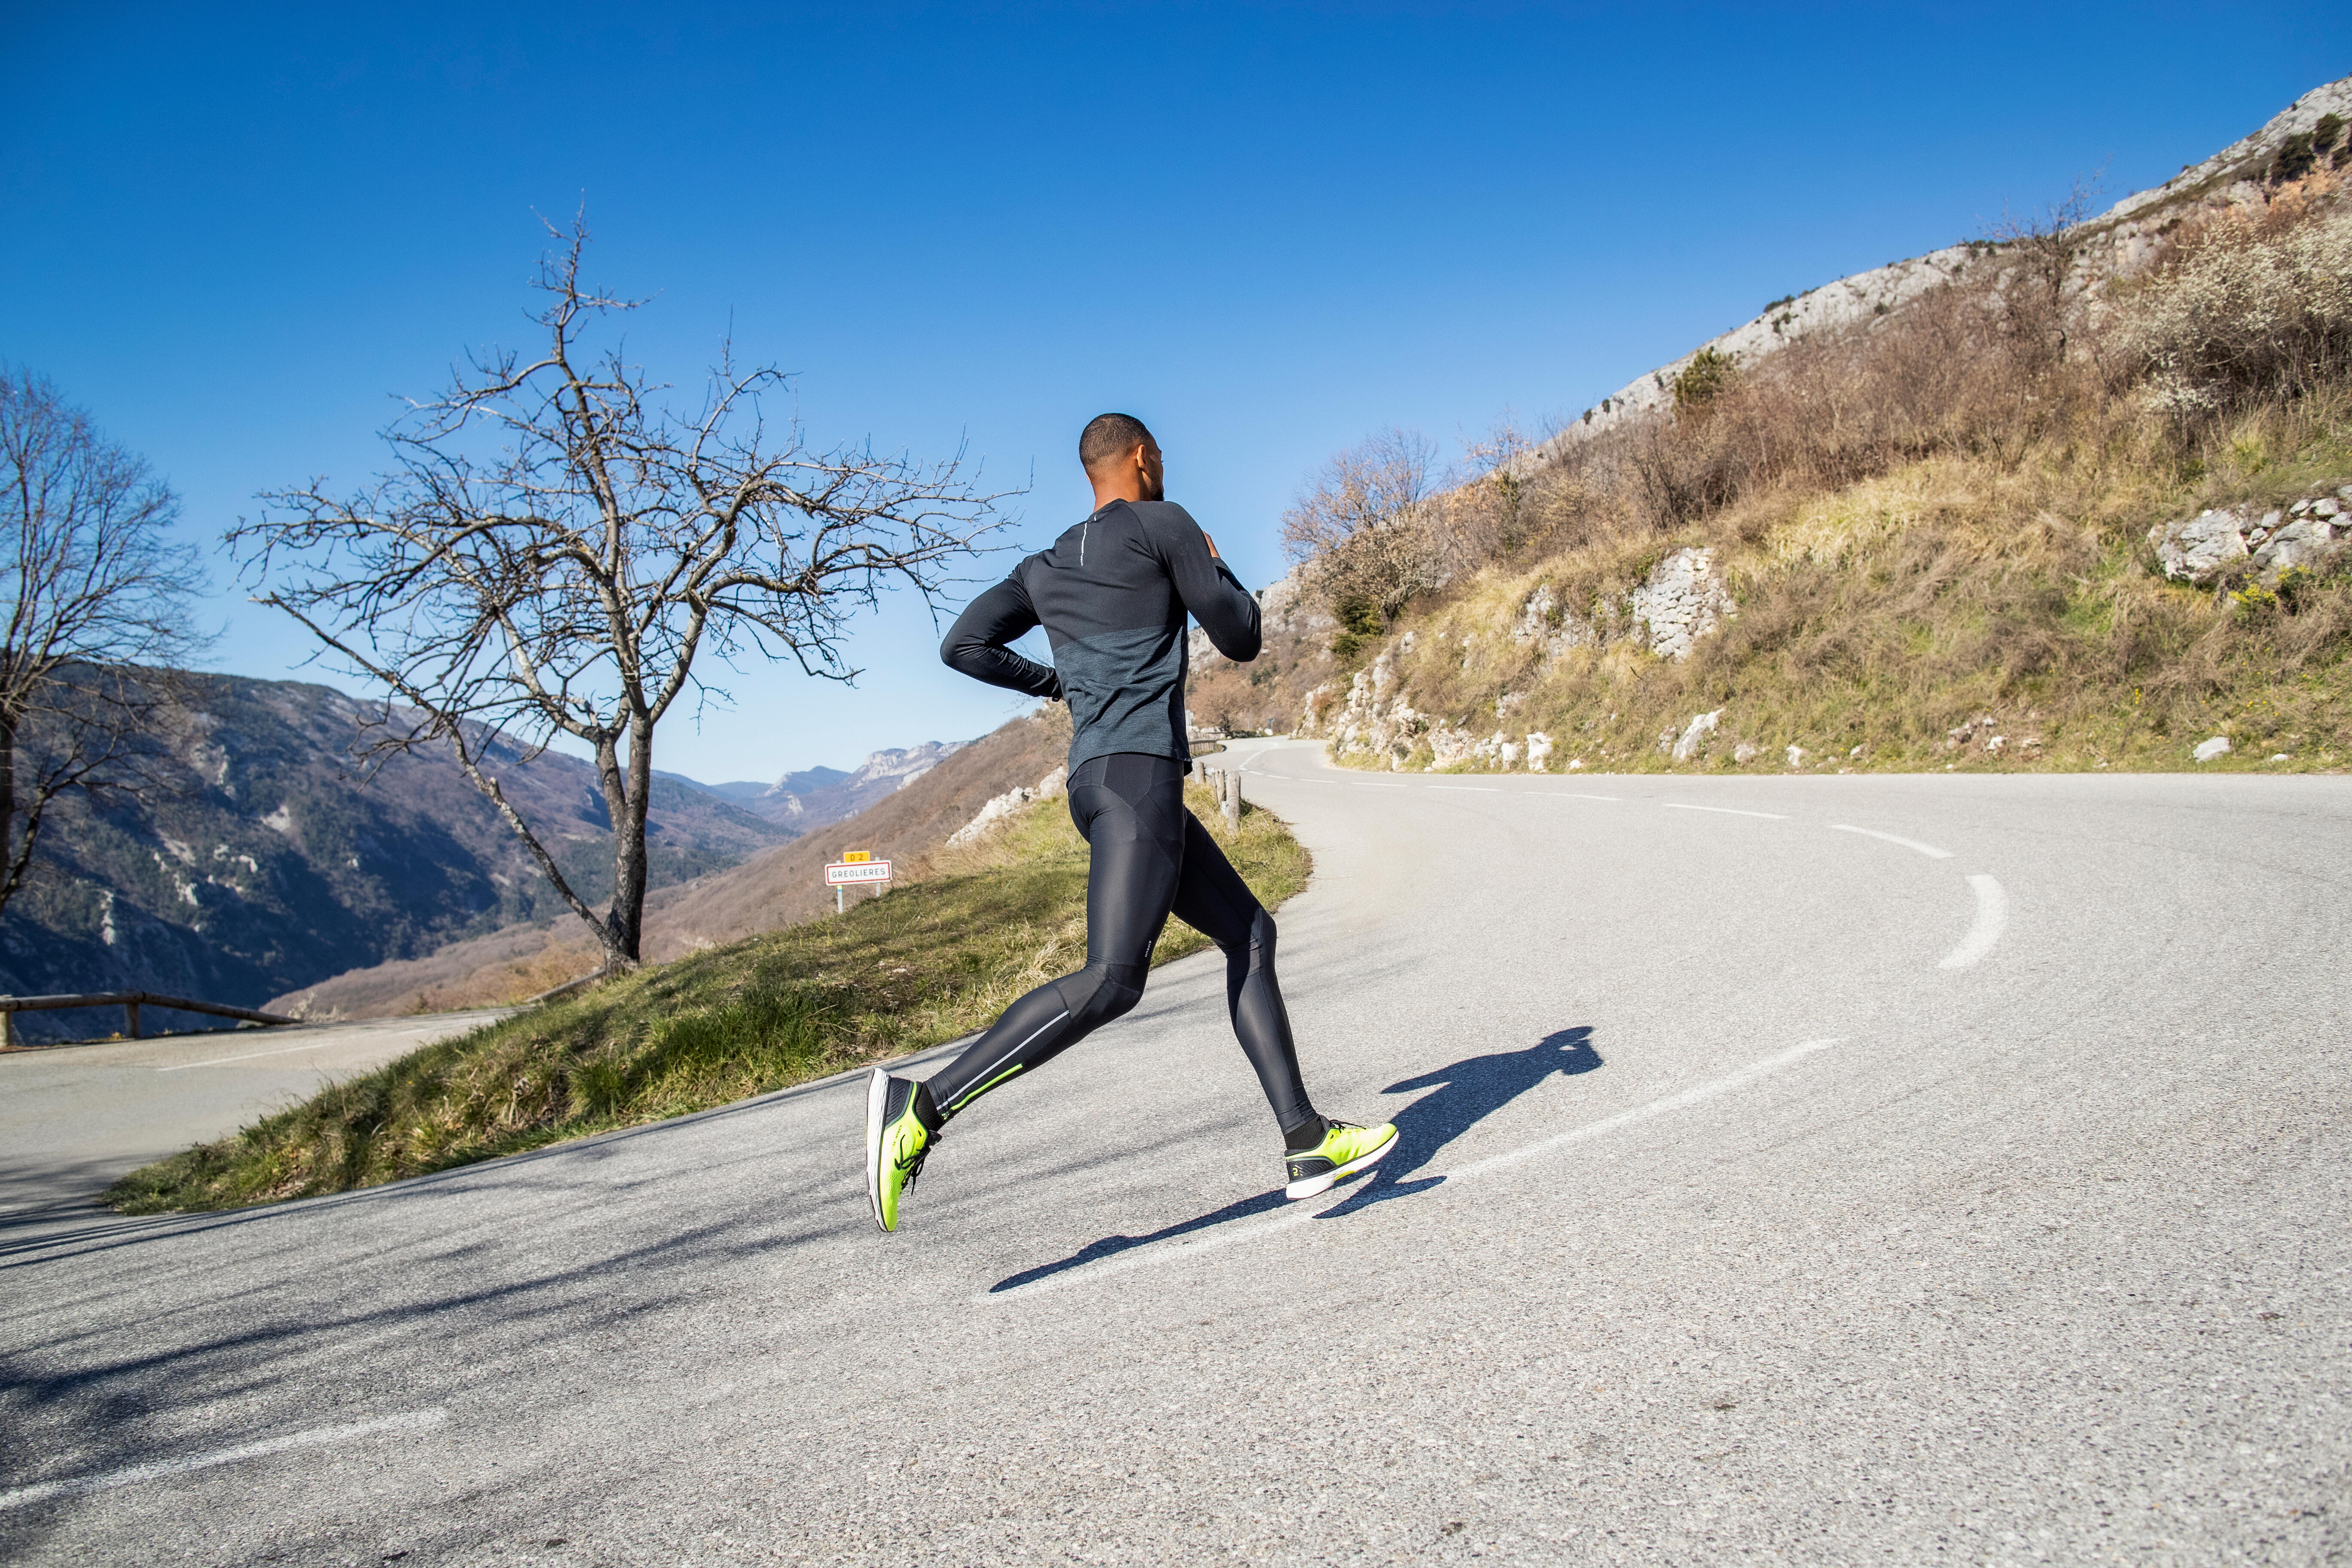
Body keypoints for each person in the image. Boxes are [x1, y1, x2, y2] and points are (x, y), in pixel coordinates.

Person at [863, 412, 1396, 1232]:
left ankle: (1305, 1139)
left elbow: (963, 646)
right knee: (1113, 980)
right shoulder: (1165, 524)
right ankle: (921, 1107)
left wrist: (1058, 683)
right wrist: (1216, 566)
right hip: (1142, 777)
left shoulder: (1044, 566)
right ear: (1143, 459)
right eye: (1162, 458)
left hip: (1096, 781)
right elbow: (1243, 636)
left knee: (1250, 931)